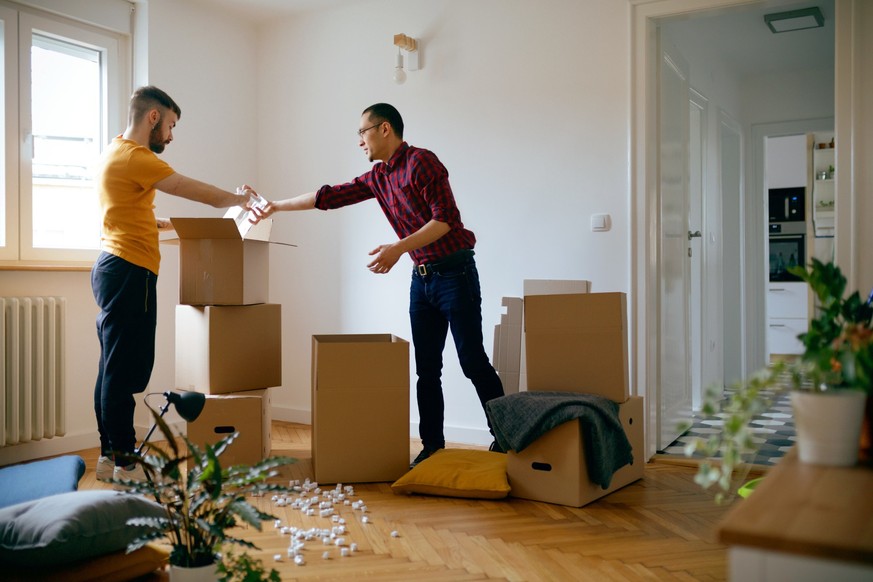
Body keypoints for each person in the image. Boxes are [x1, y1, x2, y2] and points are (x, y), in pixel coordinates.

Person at [251, 103, 505, 468]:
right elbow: (328, 197)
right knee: (427, 368)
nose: (359, 141)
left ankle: (506, 437)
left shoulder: (422, 162)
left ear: (385, 129)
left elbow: (446, 220)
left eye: (362, 132)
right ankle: (433, 447)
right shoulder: (378, 177)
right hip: (423, 280)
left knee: (472, 361)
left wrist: (398, 248)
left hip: (455, 273)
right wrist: (274, 205)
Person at [93, 86, 255, 482]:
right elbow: (187, 187)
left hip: (113, 267)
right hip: (130, 271)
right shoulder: (137, 157)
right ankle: (125, 463)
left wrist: (162, 223)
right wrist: (236, 199)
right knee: (125, 371)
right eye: (170, 125)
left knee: (111, 368)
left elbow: (127, 208)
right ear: (153, 118)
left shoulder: (115, 151)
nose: (171, 135)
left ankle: (109, 456)